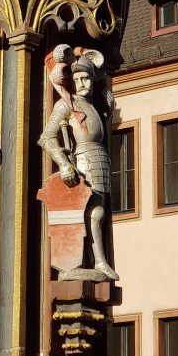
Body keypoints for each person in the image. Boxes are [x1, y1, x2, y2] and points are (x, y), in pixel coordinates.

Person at [38, 50, 119, 280]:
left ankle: (96, 261)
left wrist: (109, 112)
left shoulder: (92, 105)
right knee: (92, 213)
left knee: (99, 214)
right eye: (77, 80)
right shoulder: (66, 105)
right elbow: (47, 137)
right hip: (83, 161)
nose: (82, 83)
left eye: (85, 78)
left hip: (99, 160)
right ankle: (94, 262)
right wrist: (63, 163)